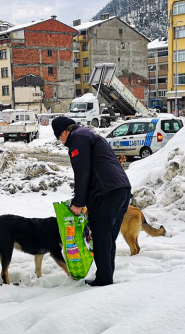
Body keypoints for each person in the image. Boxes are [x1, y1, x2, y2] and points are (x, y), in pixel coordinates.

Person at [52, 116, 131, 286]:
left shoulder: (78, 139)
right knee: (108, 239)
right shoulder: (90, 135)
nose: (61, 141)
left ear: (65, 131)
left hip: (106, 194)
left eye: (59, 137)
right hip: (122, 190)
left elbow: (82, 172)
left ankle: (104, 281)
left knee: (102, 239)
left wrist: (79, 202)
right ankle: (106, 277)